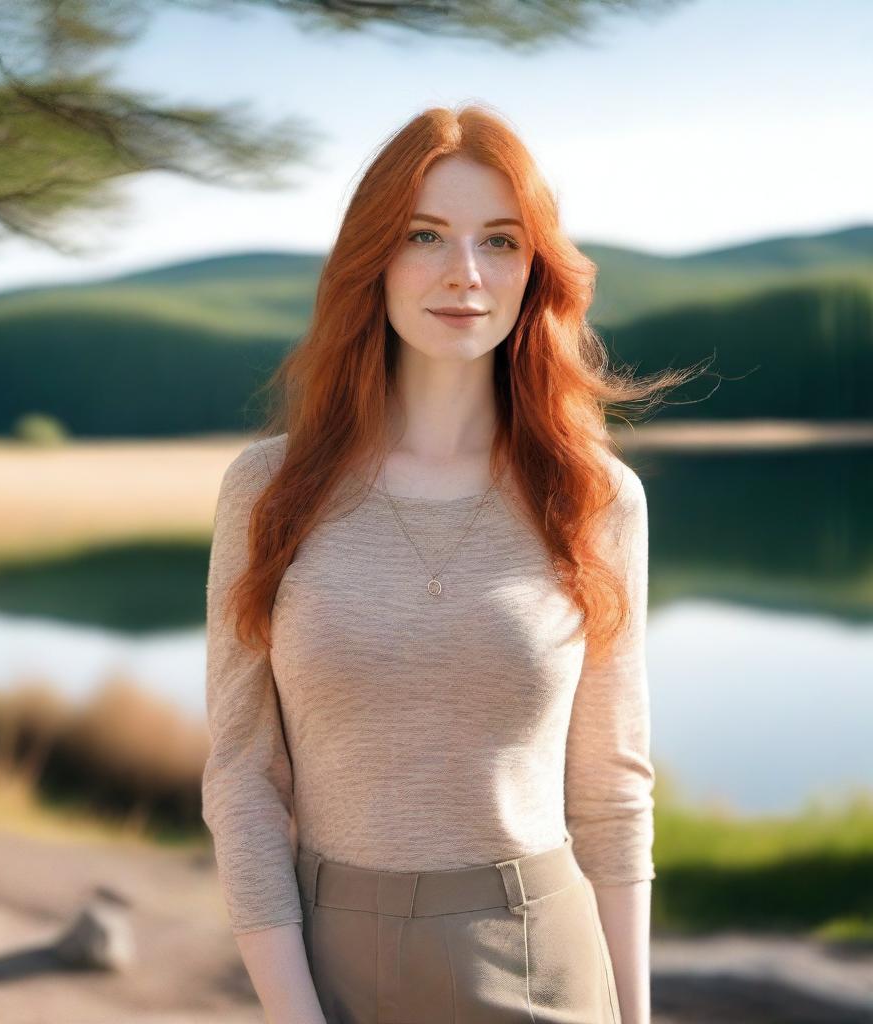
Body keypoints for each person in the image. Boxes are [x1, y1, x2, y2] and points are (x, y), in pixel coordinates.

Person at [202, 104, 697, 1024]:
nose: (464, 274)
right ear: (373, 259)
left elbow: (612, 790)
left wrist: (635, 1017)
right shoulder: (267, 489)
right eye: (425, 235)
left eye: (500, 242)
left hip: (541, 951)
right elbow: (240, 776)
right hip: (329, 956)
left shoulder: (595, 497)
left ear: (534, 270)